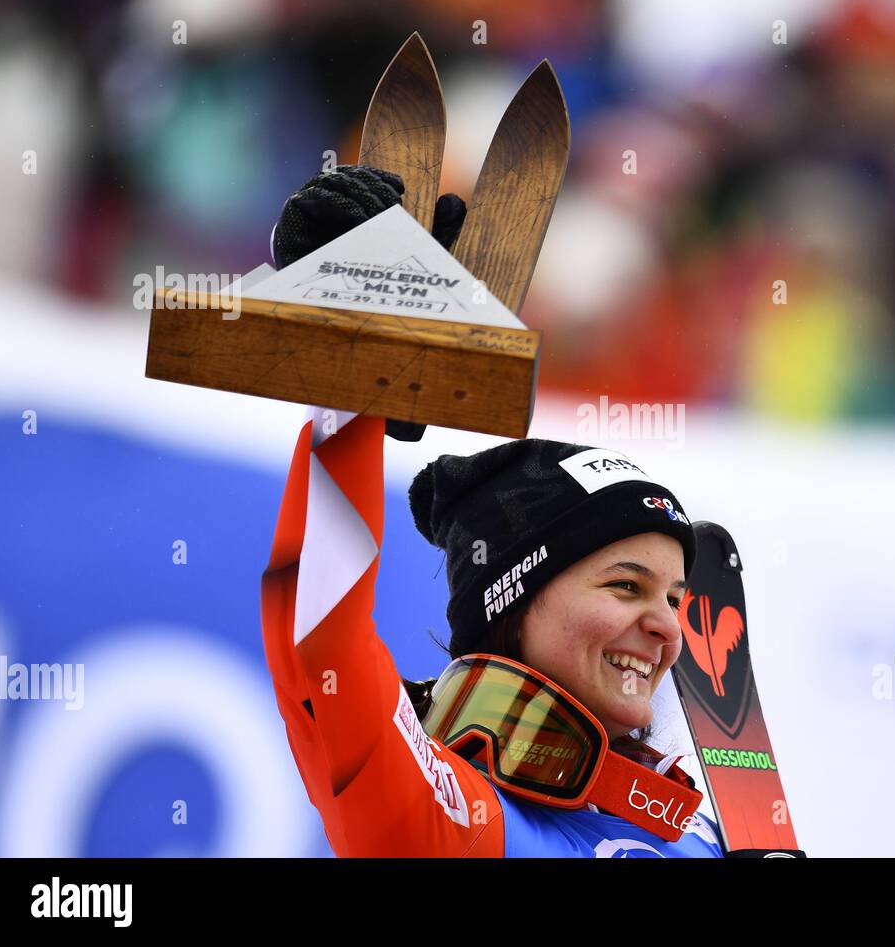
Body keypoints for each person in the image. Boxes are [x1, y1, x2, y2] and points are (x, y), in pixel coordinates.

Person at [260, 166, 723, 857]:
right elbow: (321, 643)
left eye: (676, 597)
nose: (667, 627)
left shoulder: (698, 829)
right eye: (626, 585)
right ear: (514, 600)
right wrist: (351, 382)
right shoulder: (463, 826)